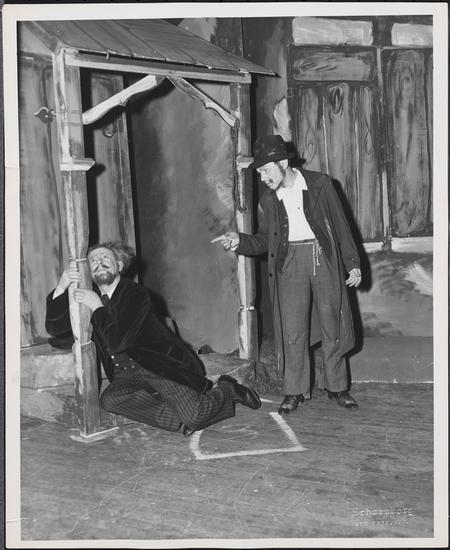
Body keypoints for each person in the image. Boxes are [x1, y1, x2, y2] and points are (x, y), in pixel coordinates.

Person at [45, 241, 261, 436]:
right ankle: (180, 421)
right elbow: (55, 328)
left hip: (159, 366)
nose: (99, 263)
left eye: (105, 258)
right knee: (110, 399)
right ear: (88, 272)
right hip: (126, 374)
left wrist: (97, 307)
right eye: (93, 260)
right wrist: (62, 287)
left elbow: (119, 342)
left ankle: (226, 389)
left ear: (119, 266)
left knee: (195, 416)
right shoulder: (91, 299)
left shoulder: (134, 294)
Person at [212, 135, 362, 415]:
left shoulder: (320, 184)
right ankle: (295, 391)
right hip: (289, 262)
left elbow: (341, 226)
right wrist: (240, 241)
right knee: (292, 330)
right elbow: (264, 240)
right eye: (259, 172)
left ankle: (338, 387)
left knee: (333, 324)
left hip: (322, 258)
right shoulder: (269, 199)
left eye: (266, 170)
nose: (263, 177)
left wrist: (352, 262)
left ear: (282, 163)